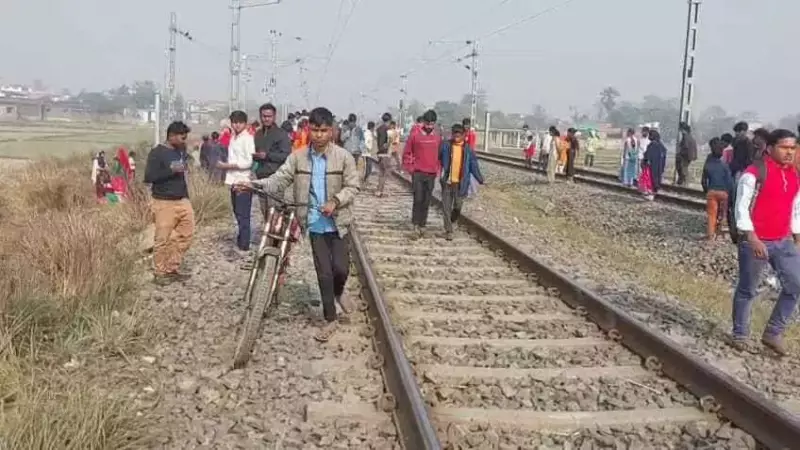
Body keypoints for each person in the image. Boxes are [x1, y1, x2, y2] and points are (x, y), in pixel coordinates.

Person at [235, 107, 359, 343]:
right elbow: (279, 179)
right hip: (313, 222)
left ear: (331, 131)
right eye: (315, 130)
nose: (319, 135)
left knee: (341, 269)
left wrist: (335, 201)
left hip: (339, 222)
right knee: (323, 272)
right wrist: (254, 185)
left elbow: (353, 187)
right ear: (308, 130)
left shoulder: (344, 157)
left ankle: (339, 291)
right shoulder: (298, 157)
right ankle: (330, 318)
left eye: (324, 130)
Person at [730, 129, 800, 356]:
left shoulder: (794, 175)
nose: (789, 152)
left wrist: (796, 236)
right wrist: (752, 238)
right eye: (784, 147)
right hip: (755, 241)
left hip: (782, 241)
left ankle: (773, 331)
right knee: (747, 289)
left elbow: (795, 208)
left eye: (793, 148)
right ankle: (740, 334)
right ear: (770, 148)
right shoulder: (754, 173)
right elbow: (740, 208)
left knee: (796, 284)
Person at [143, 121, 194, 284]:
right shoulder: (157, 153)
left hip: (182, 199)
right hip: (163, 201)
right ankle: (160, 272)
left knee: (186, 234)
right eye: (182, 137)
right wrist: (171, 170)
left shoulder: (181, 151)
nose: (184, 140)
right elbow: (149, 177)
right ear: (171, 136)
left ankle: (172, 267)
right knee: (162, 239)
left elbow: (185, 168)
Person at [217, 110, 255, 254]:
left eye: (240, 122)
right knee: (237, 212)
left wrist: (227, 166)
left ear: (245, 124)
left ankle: (244, 244)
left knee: (243, 213)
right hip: (233, 179)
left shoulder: (248, 139)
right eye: (234, 122)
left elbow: (248, 162)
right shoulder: (233, 138)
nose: (237, 125)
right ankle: (241, 239)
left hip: (243, 180)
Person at [439, 123, 485, 240]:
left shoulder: (468, 150)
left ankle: (452, 221)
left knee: (458, 207)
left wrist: (480, 179)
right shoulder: (446, 146)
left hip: (461, 184)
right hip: (448, 182)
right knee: (446, 208)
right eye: (455, 133)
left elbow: (473, 165)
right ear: (452, 134)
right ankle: (449, 230)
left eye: (459, 134)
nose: (457, 136)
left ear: (463, 135)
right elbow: (438, 158)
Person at [403, 109, 442, 239]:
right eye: (428, 123)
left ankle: (422, 226)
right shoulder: (415, 135)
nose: (430, 126)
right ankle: (415, 226)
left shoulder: (437, 137)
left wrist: (438, 169)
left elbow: (440, 156)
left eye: (432, 124)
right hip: (418, 173)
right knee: (418, 199)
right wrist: (411, 168)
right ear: (424, 122)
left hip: (431, 174)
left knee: (426, 201)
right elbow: (407, 153)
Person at [253, 103, 292, 218]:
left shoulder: (281, 134)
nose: (266, 119)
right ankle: (268, 234)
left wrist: (267, 156)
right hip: (261, 177)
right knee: (264, 211)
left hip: (275, 177)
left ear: (274, 117)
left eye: (269, 116)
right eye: (264, 116)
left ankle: (276, 234)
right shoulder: (258, 134)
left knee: (275, 213)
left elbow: (286, 155)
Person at [701, 138, 734, 240]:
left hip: (712, 192)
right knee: (723, 214)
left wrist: (707, 191)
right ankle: (720, 234)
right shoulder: (725, 166)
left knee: (711, 215)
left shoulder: (708, 165)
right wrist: (730, 194)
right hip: (724, 192)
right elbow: (730, 182)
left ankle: (710, 235)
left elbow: (703, 181)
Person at [641, 129, 667, 201]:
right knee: (656, 179)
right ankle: (653, 193)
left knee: (650, 179)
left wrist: (645, 162)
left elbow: (647, 155)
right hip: (659, 166)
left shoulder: (652, 145)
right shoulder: (661, 145)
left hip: (652, 166)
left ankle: (650, 194)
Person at [374, 112, 392, 197]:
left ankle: (379, 189)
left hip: (379, 153)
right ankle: (380, 190)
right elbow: (386, 143)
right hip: (385, 153)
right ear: (389, 120)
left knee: (381, 172)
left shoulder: (379, 129)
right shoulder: (388, 130)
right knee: (384, 172)